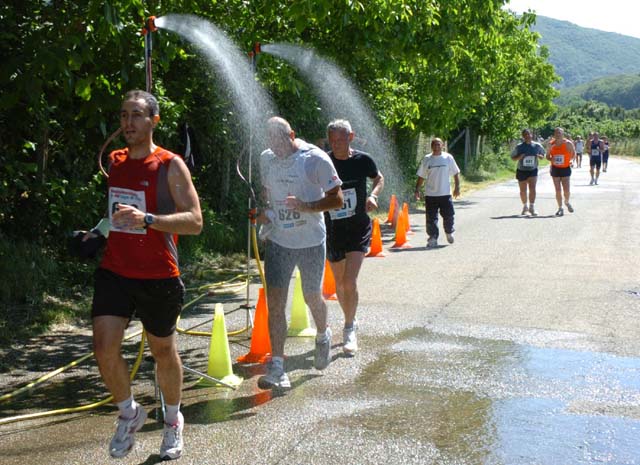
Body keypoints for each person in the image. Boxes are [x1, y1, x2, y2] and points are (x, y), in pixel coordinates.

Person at [85, 90, 203, 460]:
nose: (127, 123)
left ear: (154, 120)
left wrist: (149, 220)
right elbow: (118, 213)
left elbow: (195, 222)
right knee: (104, 349)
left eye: (136, 115)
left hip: (158, 275)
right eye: (123, 115)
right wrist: (96, 232)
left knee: (163, 351)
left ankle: (172, 421)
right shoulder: (116, 161)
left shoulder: (170, 165)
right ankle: (129, 414)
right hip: (115, 270)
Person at [257, 116, 343, 389]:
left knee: (311, 296)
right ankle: (278, 367)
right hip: (279, 241)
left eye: (280, 140)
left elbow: (336, 199)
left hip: (310, 241)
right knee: (275, 303)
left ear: (291, 134)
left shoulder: (314, 159)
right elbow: (266, 193)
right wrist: (265, 213)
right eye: (270, 140)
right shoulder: (266, 159)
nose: (275, 146)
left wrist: (305, 206)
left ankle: (322, 333)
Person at [324, 119, 384, 355]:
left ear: (351, 137)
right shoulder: (324, 161)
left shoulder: (363, 160)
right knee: (339, 284)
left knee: (350, 281)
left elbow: (378, 178)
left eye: (341, 139)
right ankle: (350, 317)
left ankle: (349, 328)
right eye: (332, 140)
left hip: (358, 225)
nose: (336, 144)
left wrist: (373, 196)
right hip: (333, 229)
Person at [414, 138, 461, 248]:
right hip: (430, 194)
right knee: (431, 218)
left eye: (438, 144)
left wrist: (457, 187)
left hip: (445, 193)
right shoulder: (427, 159)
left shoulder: (448, 158)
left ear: (442, 146)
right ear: (431, 146)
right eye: (434, 144)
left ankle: (449, 232)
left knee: (449, 215)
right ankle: (433, 238)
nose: (436, 146)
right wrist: (417, 189)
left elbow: (456, 173)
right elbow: (421, 176)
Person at [511, 128, 545, 216]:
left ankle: (532, 207)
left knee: (532, 188)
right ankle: (525, 207)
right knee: (523, 190)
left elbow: (543, 154)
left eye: (528, 134)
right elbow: (513, 158)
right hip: (521, 170)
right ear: (523, 136)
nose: (527, 136)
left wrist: (539, 156)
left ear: (531, 135)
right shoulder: (519, 146)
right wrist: (519, 157)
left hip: (533, 170)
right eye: (525, 135)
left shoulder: (537, 146)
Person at [547, 127, 575, 216]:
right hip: (555, 168)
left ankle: (566, 202)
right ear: (554, 134)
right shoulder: (551, 144)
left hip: (565, 168)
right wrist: (552, 158)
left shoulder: (568, 144)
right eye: (556, 133)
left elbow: (573, 155)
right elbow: (547, 156)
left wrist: (571, 161)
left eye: (560, 133)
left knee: (566, 190)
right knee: (558, 190)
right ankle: (560, 208)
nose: (558, 134)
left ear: (563, 134)